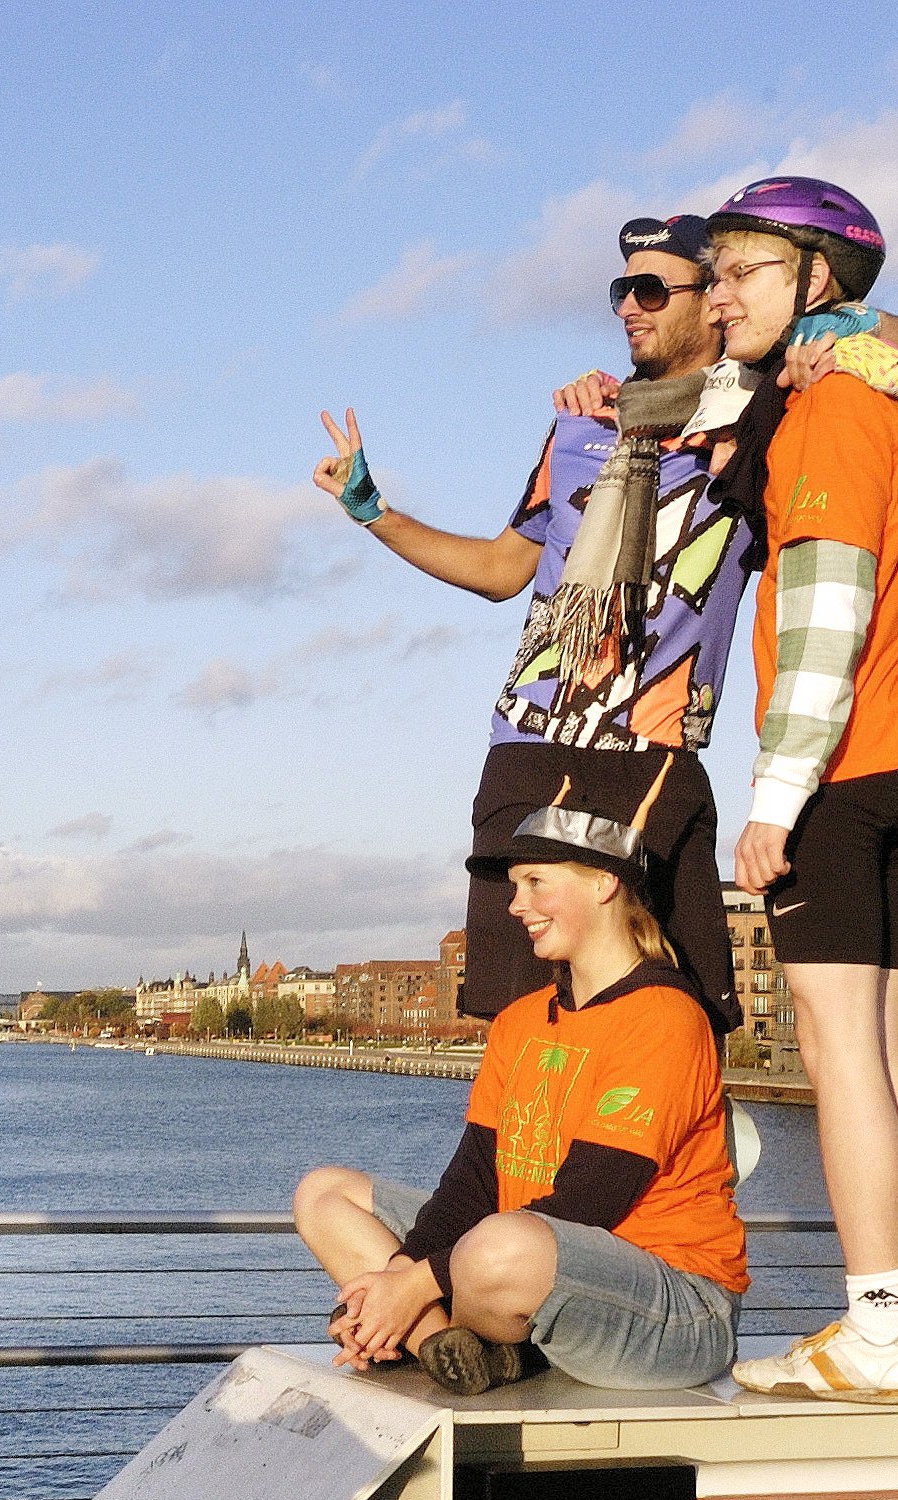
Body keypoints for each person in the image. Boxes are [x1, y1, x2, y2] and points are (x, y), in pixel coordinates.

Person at [696, 176, 898, 1405]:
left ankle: (874, 1322)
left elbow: (823, 618)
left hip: (836, 764)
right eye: (711, 272)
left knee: (840, 1053)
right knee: (886, 1051)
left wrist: (772, 796)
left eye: (742, 272)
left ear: (815, 283)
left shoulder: (830, 410)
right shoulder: (877, 404)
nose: (718, 292)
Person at [312, 215, 763, 1035]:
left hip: (654, 756)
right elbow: (500, 569)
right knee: (525, 1025)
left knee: (683, 1020)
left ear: (716, 301)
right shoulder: (580, 425)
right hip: (531, 749)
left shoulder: (759, 423)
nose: (629, 307)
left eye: (652, 290)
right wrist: (370, 510)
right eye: (621, 290)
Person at [291, 761, 747, 1395]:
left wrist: (414, 1285)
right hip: (521, 1260)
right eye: (514, 886)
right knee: (324, 1195)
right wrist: (396, 1275)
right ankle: (449, 1347)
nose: (516, 905)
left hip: (672, 1305)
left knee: (496, 1249)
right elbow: (475, 1176)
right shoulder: (521, 1021)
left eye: (535, 881)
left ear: (604, 884)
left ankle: (457, 1334)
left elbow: (594, 1199)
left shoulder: (665, 1017)